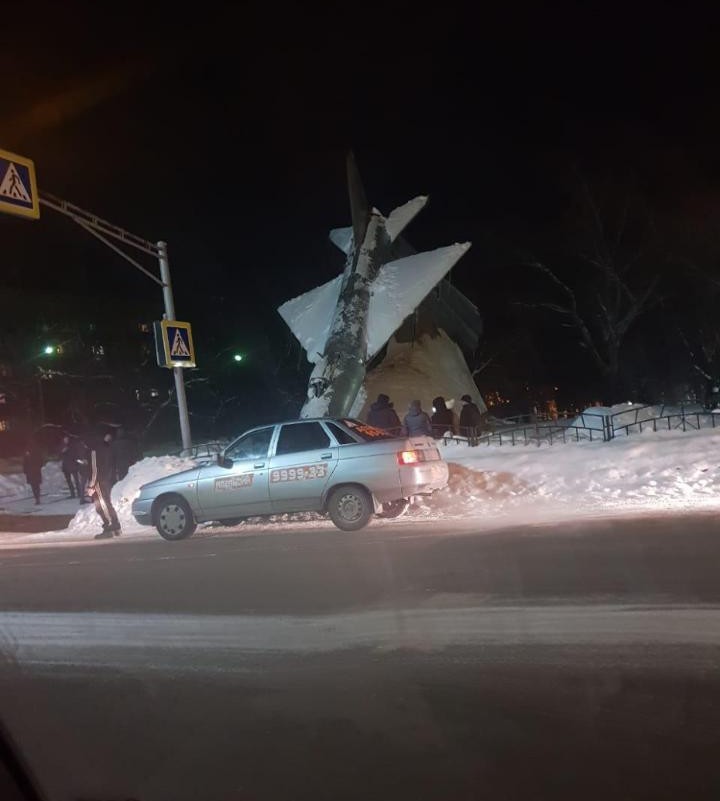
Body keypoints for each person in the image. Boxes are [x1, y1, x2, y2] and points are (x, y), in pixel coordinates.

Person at [87, 430, 121, 540]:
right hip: (108, 479)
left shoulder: (94, 450)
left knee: (101, 505)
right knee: (107, 503)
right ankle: (115, 526)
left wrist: (91, 485)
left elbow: (95, 468)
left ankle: (109, 526)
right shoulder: (107, 448)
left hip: (99, 482)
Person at [22, 440, 43, 505]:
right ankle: (37, 498)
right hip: (34, 471)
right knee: (36, 485)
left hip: (31, 471)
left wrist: (25, 470)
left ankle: (37, 498)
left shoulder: (28, 452)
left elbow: (25, 462)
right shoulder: (35, 451)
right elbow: (25, 462)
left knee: (34, 485)